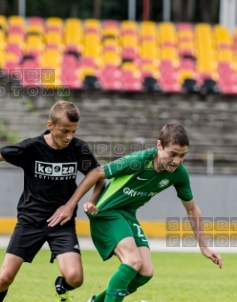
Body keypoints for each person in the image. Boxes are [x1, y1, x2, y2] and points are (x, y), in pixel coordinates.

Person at [0, 100, 105, 302]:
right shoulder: (32, 147)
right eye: (64, 130)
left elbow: (98, 176)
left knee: (75, 279)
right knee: (3, 280)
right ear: (50, 125)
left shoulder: (79, 149)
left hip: (61, 223)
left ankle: (62, 284)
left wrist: (86, 202)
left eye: (73, 131)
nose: (69, 137)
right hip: (30, 221)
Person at [48, 123, 223, 302]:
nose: (177, 161)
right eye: (172, 154)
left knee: (145, 272)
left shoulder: (179, 174)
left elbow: (192, 209)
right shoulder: (139, 161)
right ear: (159, 145)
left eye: (182, 156)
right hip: (106, 212)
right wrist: (72, 205)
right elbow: (96, 173)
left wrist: (204, 246)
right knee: (132, 261)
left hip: (127, 214)